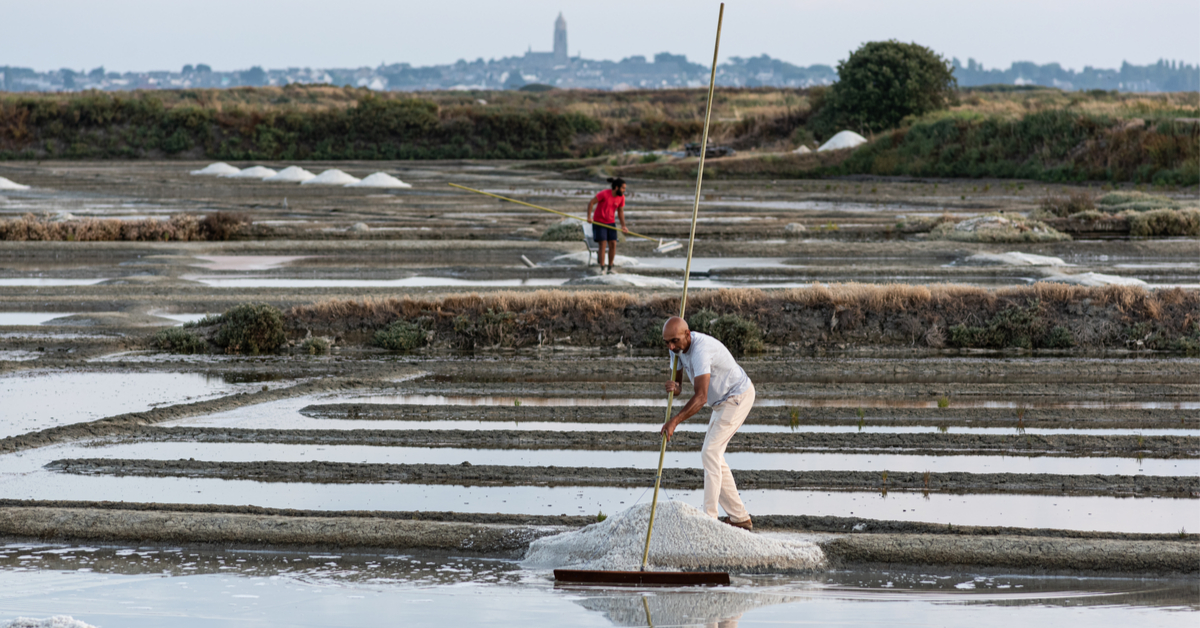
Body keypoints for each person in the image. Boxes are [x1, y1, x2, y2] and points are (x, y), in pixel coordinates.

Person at [659, 316, 755, 531]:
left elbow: (701, 397)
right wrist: (675, 387)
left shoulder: (701, 350)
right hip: (721, 402)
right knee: (714, 456)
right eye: (667, 342)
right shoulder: (676, 350)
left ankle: (709, 520)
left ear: (688, 334)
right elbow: (680, 384)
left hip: (736, 397)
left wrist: (674, 421)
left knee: (710, 453)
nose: (671, 346)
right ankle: (740, 518)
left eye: (674, 341)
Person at [586, 177, 629, 274]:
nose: (624, 191)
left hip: (611, 223)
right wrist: (589, 217)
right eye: (623, 188)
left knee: (613, 244)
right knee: (603, 244)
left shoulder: (621, 197)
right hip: (599, 222)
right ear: (617, 187)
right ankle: (602, 268)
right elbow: (591, 203)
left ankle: (610, 267)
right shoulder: (604, 194)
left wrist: (623, 226)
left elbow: (620, 211)